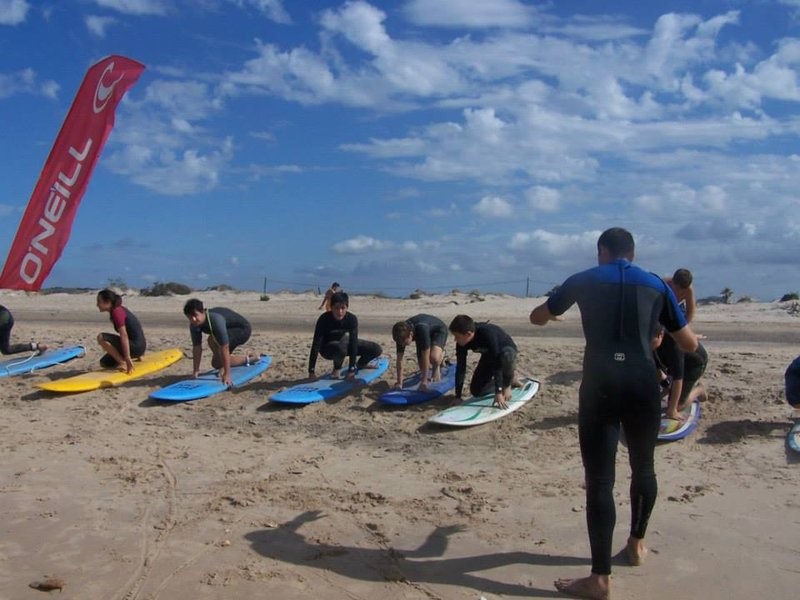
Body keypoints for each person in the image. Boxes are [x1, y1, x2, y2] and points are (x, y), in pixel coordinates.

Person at [529, 227, 697, 600]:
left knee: (601, 480)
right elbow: (687, 343)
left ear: (601, 251)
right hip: (642, 385)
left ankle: (600, 579)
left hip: (600, 387)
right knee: (644, 467)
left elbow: (536, 317)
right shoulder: (655, 284)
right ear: (632, 254)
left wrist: (553, 311)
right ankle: (636, 544)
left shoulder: (583, 279)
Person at [308, 291, 382, 381]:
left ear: (347, 307)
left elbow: (353, 343)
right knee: (340, 348)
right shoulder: (323, 319)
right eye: (336, 308)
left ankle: (361, 364)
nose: (340, 312)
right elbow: (316, 344)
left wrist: (351, 370)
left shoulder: (351, 319)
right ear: (331, 307)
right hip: (327, 349)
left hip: (343, 343)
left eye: (343, 308)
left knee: (376, 349)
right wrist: (311, 371)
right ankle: (336, 370)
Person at [448, 314, 518, 409]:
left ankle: (508, 382)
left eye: (457, 336)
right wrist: (458, 396)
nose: (455, 339)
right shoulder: (461, 343)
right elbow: (461, 368)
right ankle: (508, 379)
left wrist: (499, 391)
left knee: (506, 355)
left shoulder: (487, 333)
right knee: (477, 391)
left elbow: (496, 362)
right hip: (489, 355)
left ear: (468, 334)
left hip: (506, 351)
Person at [183, 298, 254, 387]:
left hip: (242, 330)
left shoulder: (215, 320)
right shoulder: (194, 324)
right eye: (190, 317)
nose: (193, 319)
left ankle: (251, 359)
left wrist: (227, 375)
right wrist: (196, 371)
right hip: (227, 330)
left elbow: (224, 347)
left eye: (195, 315)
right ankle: (224, 364)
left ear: (202, 311)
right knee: (216, 362)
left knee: (214, 342)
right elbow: (197, 347)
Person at [652, 325, 708, 420]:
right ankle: (668, 390)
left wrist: (672, 410)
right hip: (671, 362)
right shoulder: (649, 341)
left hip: (694, 365)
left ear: (661, 335)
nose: (647, 345)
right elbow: (657, 369)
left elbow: (678, 378)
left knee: (677, 406)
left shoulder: (674, 344)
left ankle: (699, 390)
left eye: (650, 341)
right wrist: (665, 387)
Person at [391, 314, 448, 390]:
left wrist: (424, 382)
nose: (403, 345)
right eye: (401, 344)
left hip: (438, 331)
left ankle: (441, 355)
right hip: (420, 334)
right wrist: (399, 382)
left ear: (410, 335)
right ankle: (437, 355)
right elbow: (399, 360)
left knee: (433, 358)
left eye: (405, 343)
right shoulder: (400, 336)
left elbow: (426, 357)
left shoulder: (422, 329)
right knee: (422, 367)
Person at [96, 289, 146, 374]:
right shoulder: (119, 309)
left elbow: (124, 336)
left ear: (107, 301)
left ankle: (123, 363)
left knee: (101, 337)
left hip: (136, 347)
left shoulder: (117, 312)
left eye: (99, 301)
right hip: (140, 348)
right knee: (105, 363)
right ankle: (136, 356)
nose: (97, 305)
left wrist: (127, 358)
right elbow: (136, 329)